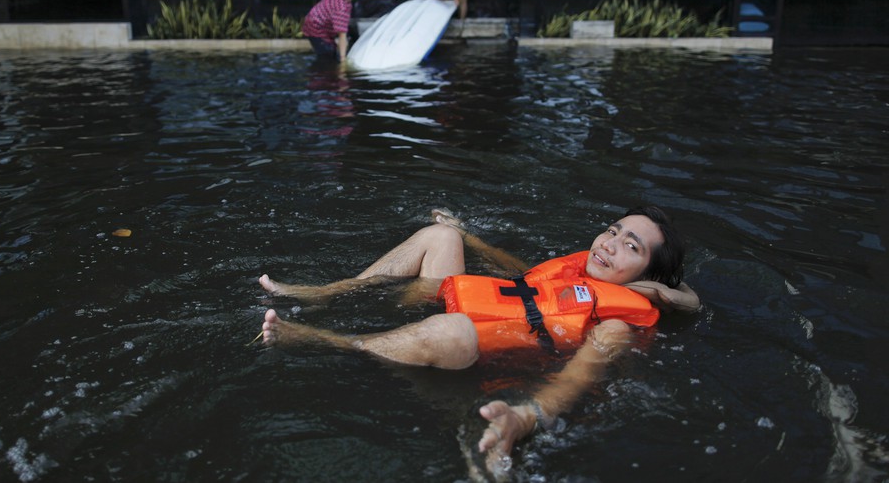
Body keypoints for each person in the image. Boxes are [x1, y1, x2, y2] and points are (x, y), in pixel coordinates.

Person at [257, 206, 700, 480]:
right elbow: (523, 279)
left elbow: (579, 378)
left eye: (631, 246)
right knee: (441, 238)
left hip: (475, 349)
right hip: (462, 309)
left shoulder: (618, 324)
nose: (610, 243)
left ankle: (326, 340)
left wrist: (526, 417)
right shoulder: (576, 271)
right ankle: (332, 291)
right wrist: (469, 237)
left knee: (454, 331)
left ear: (647, 277)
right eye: (613, 229)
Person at [302, 0, 363, 64]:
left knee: (353, 33)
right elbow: (342, 37)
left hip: (317, 18)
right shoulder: (341, 9)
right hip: (316, 30)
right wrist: (343, 61)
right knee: (329, 58)